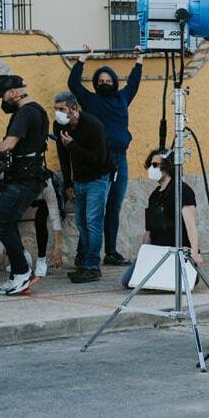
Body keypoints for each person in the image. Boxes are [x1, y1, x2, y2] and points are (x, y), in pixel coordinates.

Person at [69, 46, 144, 267]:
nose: (104, 82)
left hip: (120, 160)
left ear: (114, 81)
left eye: (108, 79)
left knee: (114, 207)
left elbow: (135, 82)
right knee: (93, 213)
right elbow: (73, 83)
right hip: (98, 161)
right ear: (95, 83)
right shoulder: (89, 100)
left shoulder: (123, 98)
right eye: (100, 80)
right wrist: (83, 58)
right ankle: (85, 255)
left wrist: (139, 58)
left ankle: (110, 252)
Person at [0, 76, 49, 296]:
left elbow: (9, 144)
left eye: (3, 96)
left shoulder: (25, 112)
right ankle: (16, 275)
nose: (2, 101)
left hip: (25, 179)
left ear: (13, 92)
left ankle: (22, 273)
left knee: (0, 224)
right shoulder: (37, 110)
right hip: (28, 178)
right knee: (7, 223)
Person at [54, 92, 111, 283]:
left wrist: (73, 147)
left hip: (98, 178)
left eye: (61, 109)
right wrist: (68, 183)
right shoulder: (60, 125)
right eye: (56, 109)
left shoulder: (93, 126)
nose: (58, 113)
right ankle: (86, 262)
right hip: (79, 180)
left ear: (74, 108)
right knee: (81, 223)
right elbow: (63, 155)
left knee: (93, 222)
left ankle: (92, 267)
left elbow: (98, 160)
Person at [0, 171, 64, 277]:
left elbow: (55, 218)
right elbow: (7, 216)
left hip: (47, 195)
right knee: (13, 218)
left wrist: (58, 247)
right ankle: (23, 255)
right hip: (27, 193)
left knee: (40, 219)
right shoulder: (17, 185)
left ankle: (41, 260)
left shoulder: (47, 185)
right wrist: (1, 242)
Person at [142, 148, 200, 260]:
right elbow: (149, 231)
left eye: (155, 165)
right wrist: (143, 254)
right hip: (156, 252)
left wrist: (195, 253)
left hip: (177, 252)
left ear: (167, 166)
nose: (151, 168)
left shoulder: (182, 190)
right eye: (150, 165)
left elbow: (191, 226)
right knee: (128, 278)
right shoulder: (154, 195)